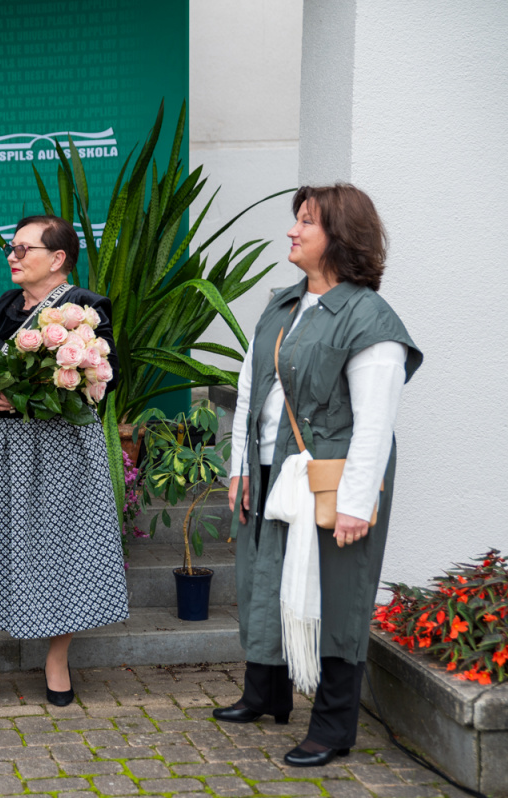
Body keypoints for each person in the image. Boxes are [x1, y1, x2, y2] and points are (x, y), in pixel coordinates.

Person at [215, 184, 422, 766]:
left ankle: (332, 728)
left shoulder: (369, 317)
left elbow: (375, 421)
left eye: (306, 222)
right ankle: (266, 692)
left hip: (330, 476)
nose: (293, 230)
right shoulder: (283, 303)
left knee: (338, 596)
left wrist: (356, 501)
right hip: (270, 467)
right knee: (263, 577)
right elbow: (251, 389)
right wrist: (239, 468)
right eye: (297, 220)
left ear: (341, 236)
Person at [0, 215, 130, 709]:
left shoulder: (86, 308)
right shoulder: (7, 305)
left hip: (60, 451)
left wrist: (39, 387)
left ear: (57, 258)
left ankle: (56, 661)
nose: (13, 256)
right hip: (0, 449)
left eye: (24, 249)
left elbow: (106, 376)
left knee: (58, 549)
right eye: (11, 248)